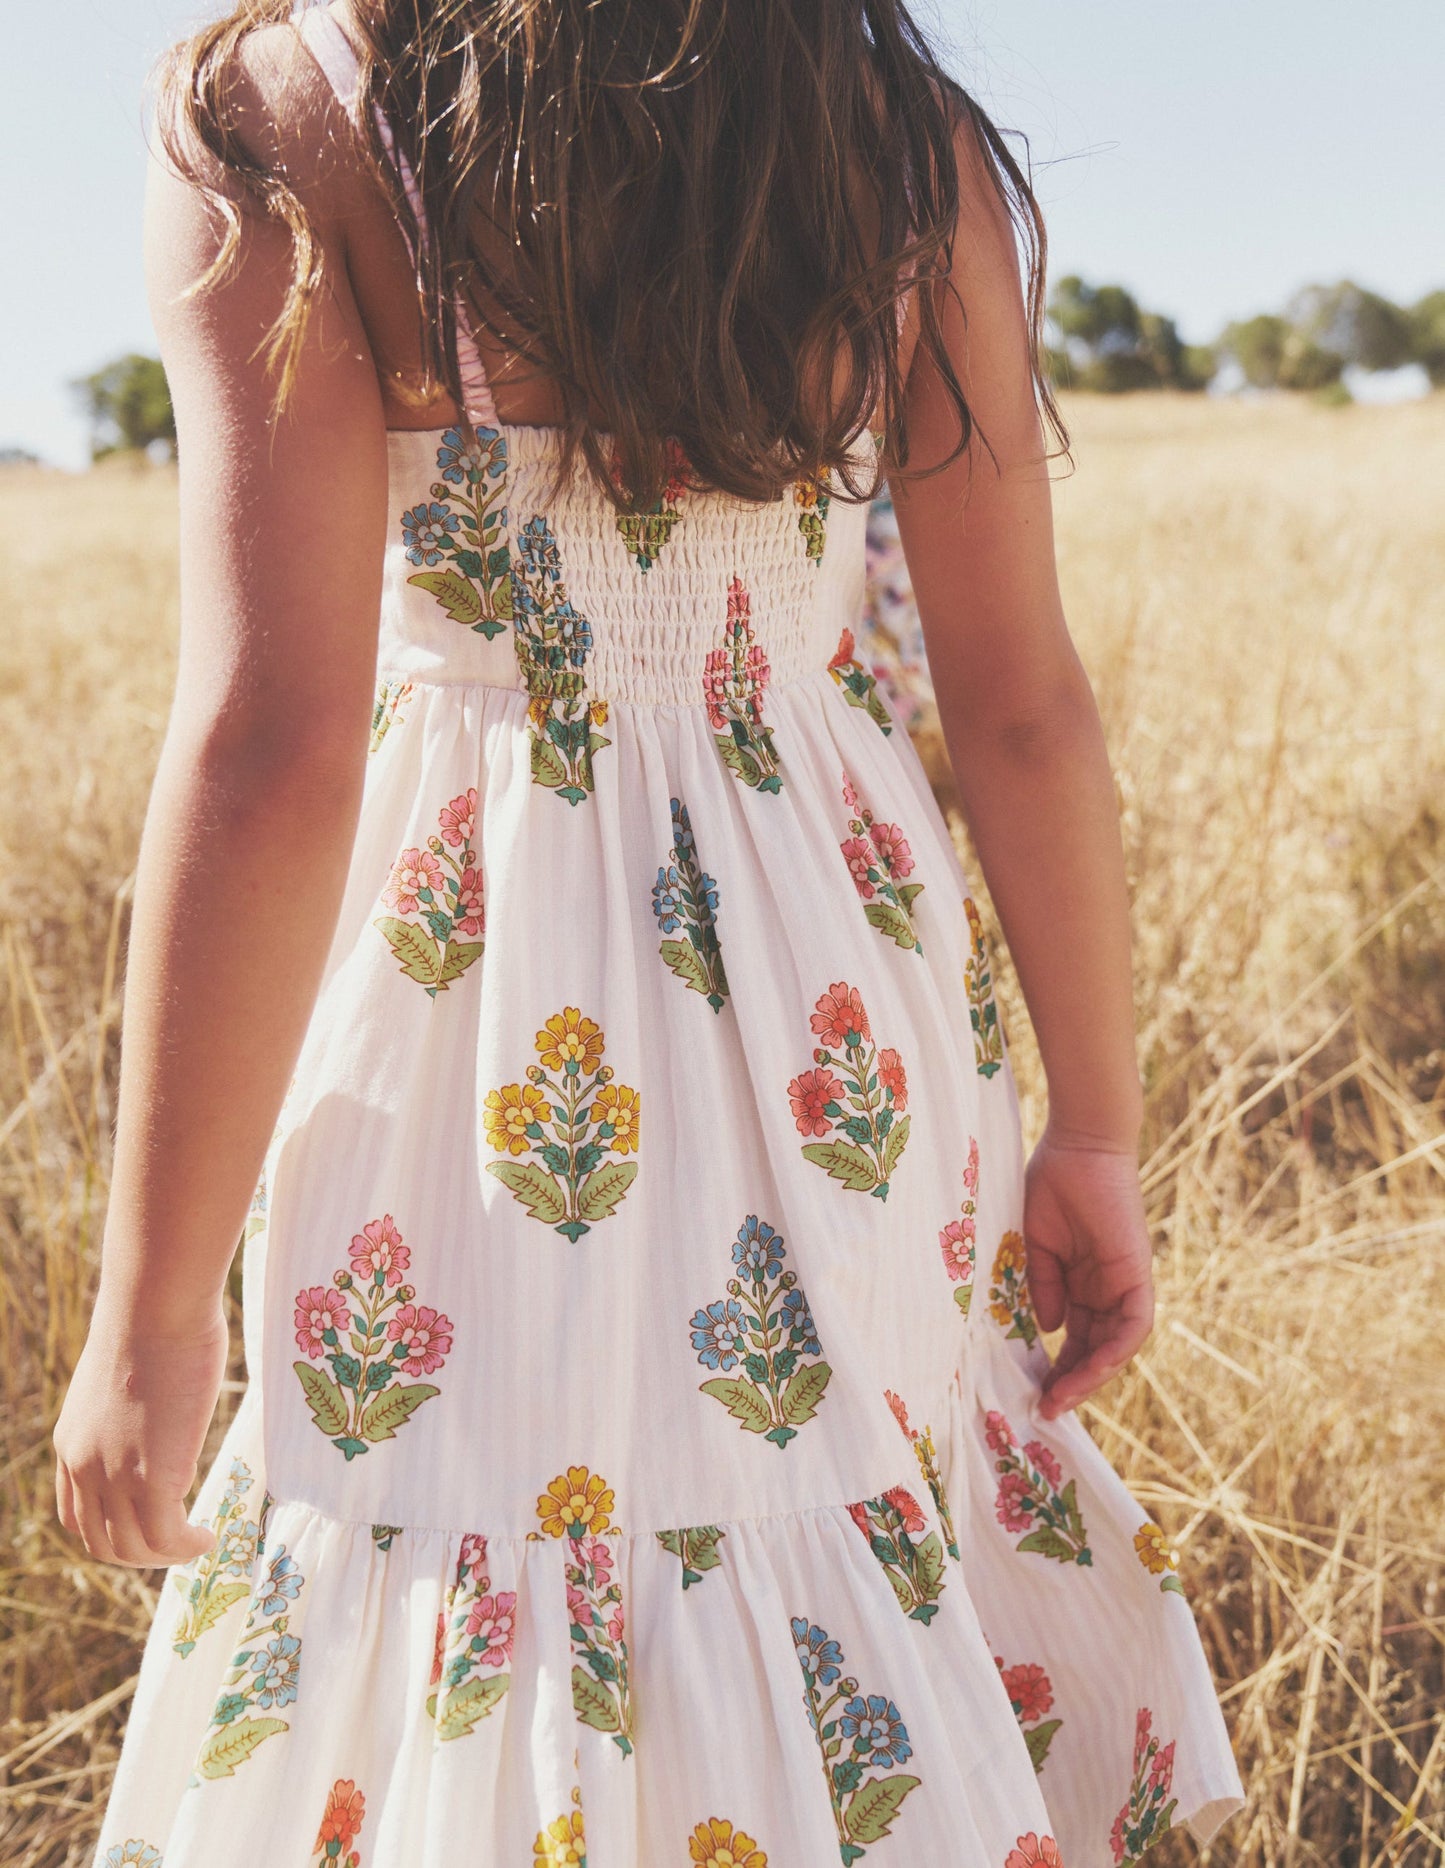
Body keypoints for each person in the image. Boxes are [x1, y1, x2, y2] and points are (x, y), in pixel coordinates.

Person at [56, 2, 1245, 1862]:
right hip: (826, 985)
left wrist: (150, 1303)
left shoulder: (285, 114)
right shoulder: (889, 132)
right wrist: (1090, 1123)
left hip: (471, 994)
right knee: (830, 1526)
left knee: (462, 1542)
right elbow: (1019, 706)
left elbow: (270, 755)